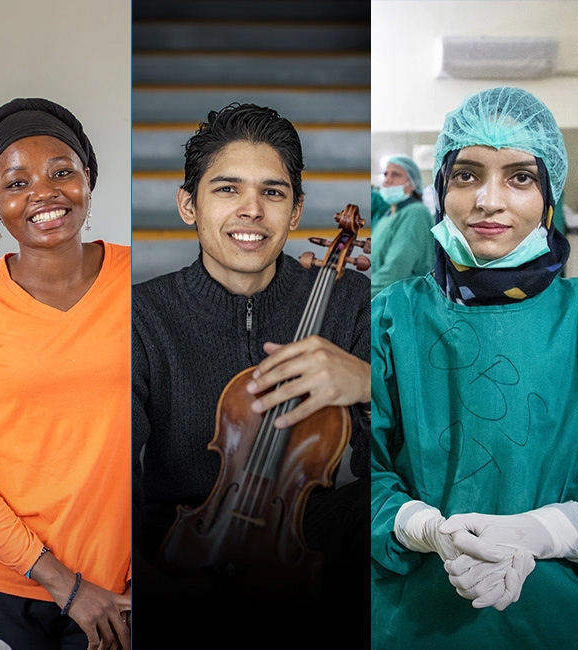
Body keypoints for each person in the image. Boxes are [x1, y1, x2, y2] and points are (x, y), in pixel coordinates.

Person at [371, 86, 578, 648]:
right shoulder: (391, 319)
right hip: (416, 620)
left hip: (561, 621)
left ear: (550, 196)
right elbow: (359, 470)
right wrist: (420, 527)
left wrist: (543, 532)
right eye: (467, 175)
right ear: (441, 190)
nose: (488, 201)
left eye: (520, 178)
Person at [132, 103, 371, 649]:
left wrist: (367, 383)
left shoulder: (349, 300)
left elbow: (391, 461)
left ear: (296, 210)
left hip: (306, 532)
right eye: (226, 189)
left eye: (272, 192)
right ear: (188, 206)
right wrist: (155, 589)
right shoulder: (143, 315)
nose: (252, 211)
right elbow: (118, 468)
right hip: (182, 534)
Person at [0, 98, 132, 650]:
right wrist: (65, 585)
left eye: (62, 172)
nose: (43, 193)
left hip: (115, 593)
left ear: (89, 179)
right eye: (16, 183)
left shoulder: (144, 280)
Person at [370, 154, 435, 299]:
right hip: (382, 298)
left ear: (412, 184)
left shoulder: (416, 213)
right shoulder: (388, 215)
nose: (387, 180)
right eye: (386, 174)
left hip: (402, 303)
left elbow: (395, 272)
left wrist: (360, 294)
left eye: (396, 175)